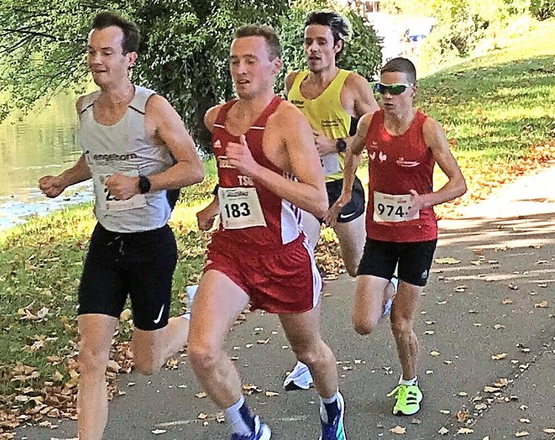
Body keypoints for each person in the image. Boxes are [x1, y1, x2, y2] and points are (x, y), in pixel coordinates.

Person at [38, 12, 204, 440]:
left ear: (129, 59)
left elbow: (193, 168)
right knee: (91, 358)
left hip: (151, 246)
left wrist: (142, 183)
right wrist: (63, 179)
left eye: (107, 52)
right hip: (106, 245)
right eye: (92, 52)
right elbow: (93, 159)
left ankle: (192, 321)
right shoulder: (85, 108)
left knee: (145, 361)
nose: (96, 60)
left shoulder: (151, 108)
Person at [187, 25, 346, 440]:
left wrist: (256, 169)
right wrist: (214, 205)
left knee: (309, 353)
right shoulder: (216, 119)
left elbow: (316, 199)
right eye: (235, 61)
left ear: (275, 67)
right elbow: (233, 182)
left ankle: (332, 408)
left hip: (283, 255)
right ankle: (247, 427)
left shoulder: (287, 122)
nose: (241, 70)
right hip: (232, 252)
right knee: (202, 350)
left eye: (251, 61)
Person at [334, 57, 467, 416]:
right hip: (379, 234)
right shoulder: (369, 122)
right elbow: (352, 152)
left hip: (417, 238)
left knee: (400, 323)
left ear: (412, 90)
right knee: (362, 324)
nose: (388, 96)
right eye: (382, 89)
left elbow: (459, 184)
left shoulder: (427, 129)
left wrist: (424, 200)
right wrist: (347, 193)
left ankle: (409, 384)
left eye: (396, 89)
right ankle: (387, 290)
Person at [283, 10, 395, 392]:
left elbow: (381, 129)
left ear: (337, 47)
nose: (312, 49)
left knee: (356, 266)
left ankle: (388, 286)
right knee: (299, 262)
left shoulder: (352, 85)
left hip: (340, 186)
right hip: (303, 188)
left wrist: (335, 144)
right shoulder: (292, 82)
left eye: (321, 42)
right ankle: (307, 357)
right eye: (308, 42)